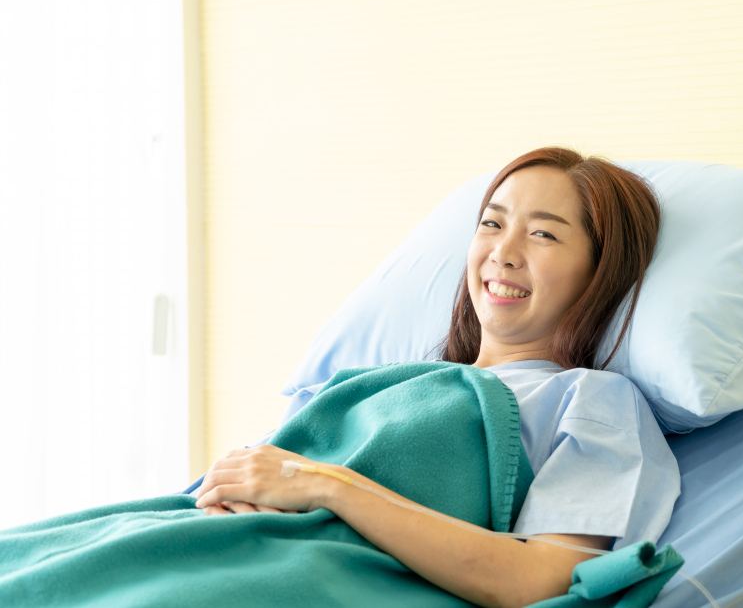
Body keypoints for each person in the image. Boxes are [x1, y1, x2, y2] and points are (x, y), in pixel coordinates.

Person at [192, 147, 680, 608]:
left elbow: (537, 579)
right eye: (492, 223)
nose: (503, 253)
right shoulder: (379, 380)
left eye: (543, 234)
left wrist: (329, 486)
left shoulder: (592, 399)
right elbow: (265, 472)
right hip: (213, 544)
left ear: (601, 272)